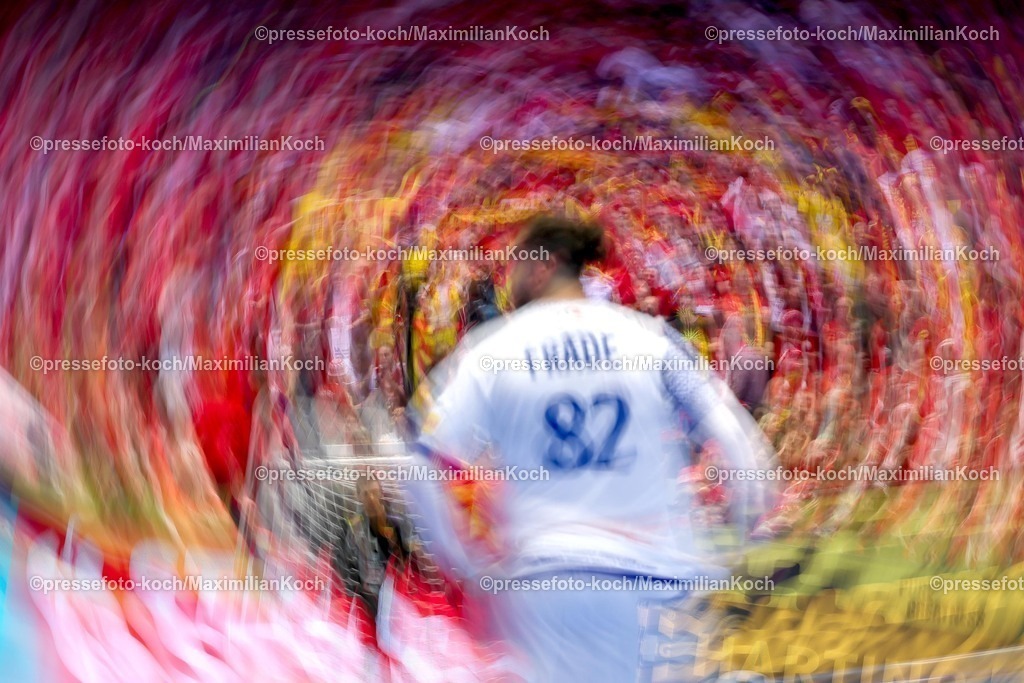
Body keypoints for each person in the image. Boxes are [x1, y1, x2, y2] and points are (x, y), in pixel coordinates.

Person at [405, 215, 776, 682]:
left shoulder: (489, 351)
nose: (506, 280)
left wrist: (465, 563)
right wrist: (739, 540)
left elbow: (421, 460)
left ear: (542, 266)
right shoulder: (651, 338)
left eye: (514, 265)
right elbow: (738, 442)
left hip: (550, 584)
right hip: (659, 576)